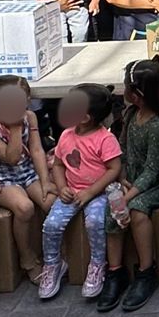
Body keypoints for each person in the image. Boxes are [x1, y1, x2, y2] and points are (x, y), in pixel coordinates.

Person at [39, 84, 122, 301]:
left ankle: (97, 264)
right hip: (71, 192)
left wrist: (91, 192)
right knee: (52, 225)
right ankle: (53, 264)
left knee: (95, 222)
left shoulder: (105, 139)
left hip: (99, 193)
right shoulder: (66, 135)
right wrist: (62, 187)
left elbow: (114, 169)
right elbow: (58, 164)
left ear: (85, 117)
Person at [99, 59, 159, 313]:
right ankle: (115, 272)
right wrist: (122, 178)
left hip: (157, 184)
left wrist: (130, 195)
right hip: (132, 181)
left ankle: (145, 271)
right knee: (111, 210)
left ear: (137, 95)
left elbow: (153, 169)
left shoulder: (157, 125)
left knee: (138, 211)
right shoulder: (129, 115)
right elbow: (124, 151)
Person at [0, 75, 54, 284]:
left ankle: (54, 254)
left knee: (52, 203)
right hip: (2, 177)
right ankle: (27, 258)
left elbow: (36, 149)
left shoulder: (30, 116)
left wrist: (45, 180)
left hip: (27, 172)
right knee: (24, 207)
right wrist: (16, 128)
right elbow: (11, 157)